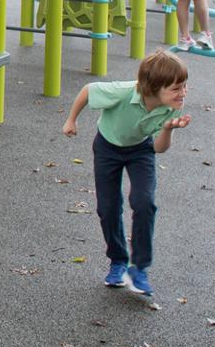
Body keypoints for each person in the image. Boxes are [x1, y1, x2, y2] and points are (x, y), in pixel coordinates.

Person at [61, 49, 191, 298]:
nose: (183, 93)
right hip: (108, 147)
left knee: (144, 202)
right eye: (176, 88)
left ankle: (139, 268)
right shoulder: (123, 92)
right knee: (108, 207)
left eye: (184, 86)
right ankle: (118, 261)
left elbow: (158, 148)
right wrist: (71, 120)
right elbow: (88, 90)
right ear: (153, 88)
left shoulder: (173, 107)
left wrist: (168, 129)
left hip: (141, 149)